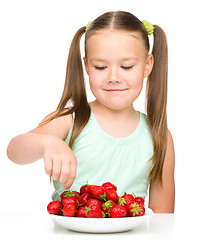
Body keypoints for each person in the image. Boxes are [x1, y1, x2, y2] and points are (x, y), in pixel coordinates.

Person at [7, 11, 175, 213]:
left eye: (127, 66)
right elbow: (14, 151)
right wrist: (47, 142)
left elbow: (163, 218)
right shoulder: (70, 120)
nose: (113, 77)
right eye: (101, 67)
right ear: (86, 66)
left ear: (147, 65)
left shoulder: (159, 136)